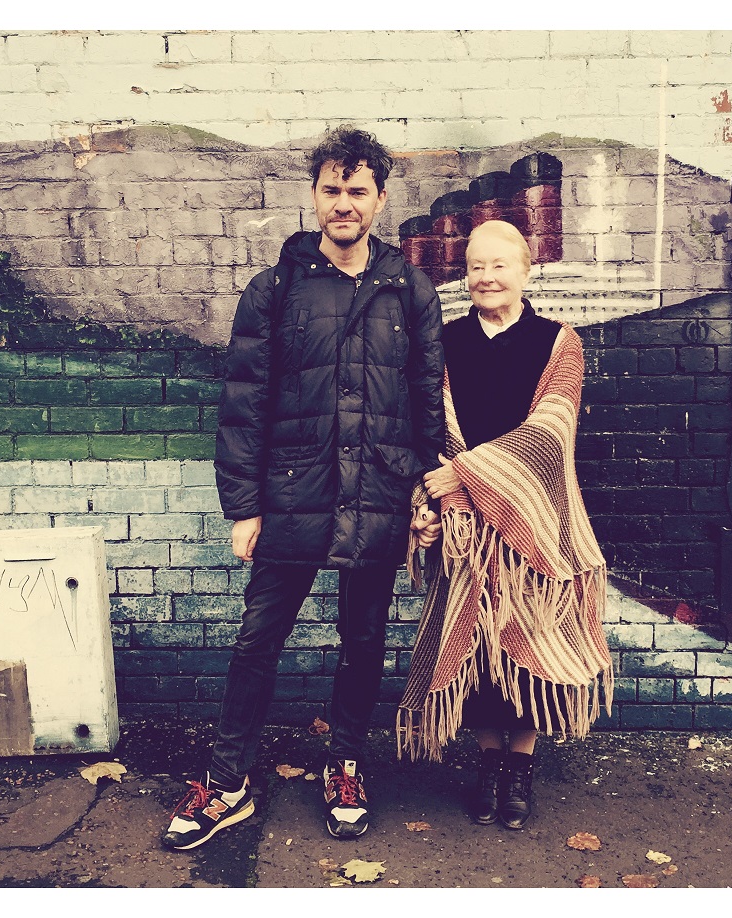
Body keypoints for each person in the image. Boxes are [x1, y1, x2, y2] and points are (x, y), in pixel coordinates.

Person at [160, 126, 447, 850]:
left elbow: (424, 401)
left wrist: (421, 493)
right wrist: (245, 507)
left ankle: (345, 764)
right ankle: (228, 781)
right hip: (293, 494)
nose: (343, 203)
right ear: (315, 197)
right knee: (259, 639)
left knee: (362, 639)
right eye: (331, 190)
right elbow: (244, 403)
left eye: (357, 191)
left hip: (378, 492)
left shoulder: (410, 290)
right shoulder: (275, 289)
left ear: (381, 199)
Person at [396, 219, 613, 830]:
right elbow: (429, 429)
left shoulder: (557, 342)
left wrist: (466, 475)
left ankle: (520, 768)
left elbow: (551, 436)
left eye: (499, 265)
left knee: (527, 652)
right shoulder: (444, 342)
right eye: (476, 267)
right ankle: (489, 763)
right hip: (465, 530)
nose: (486, 277)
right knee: (473, 653)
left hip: (536, 528)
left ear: (524, 271)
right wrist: (433, 497)